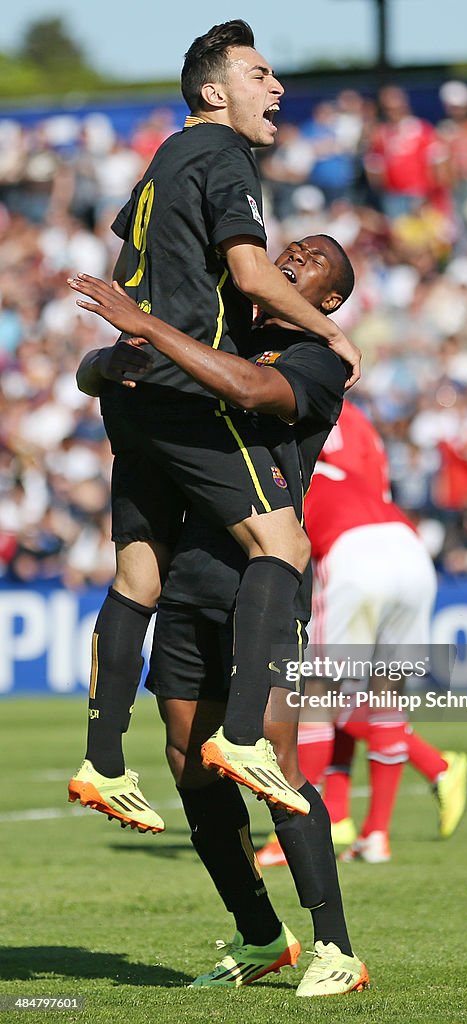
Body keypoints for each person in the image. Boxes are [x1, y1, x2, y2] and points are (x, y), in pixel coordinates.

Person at [67, 20, 361, 826]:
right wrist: (334, 331)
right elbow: (250, 271)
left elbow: (132, 253)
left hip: (131, 387)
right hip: (183, 384)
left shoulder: (162, 160)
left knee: (137, 576)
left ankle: (100, 759)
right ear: (213, 91)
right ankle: (241, 738)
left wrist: (118, 352)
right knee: (284, 543)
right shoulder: (225, 155)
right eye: (260, 74)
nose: (276, 88)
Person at [71, 234, 369, 996]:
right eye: (291, 247)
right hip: (187, 572)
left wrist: (147, 332)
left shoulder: (317, 360)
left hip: (261, 578)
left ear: (327, 302)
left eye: (309, 263)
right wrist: (114, 361)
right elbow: (100, 375)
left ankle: (337, 947)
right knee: (186, 757)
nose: (291, 257)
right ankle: (261, 935)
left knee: (271, 758)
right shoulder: (222, 326)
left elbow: (247, 391)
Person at [258, 402, 467, 866]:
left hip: (353, 555)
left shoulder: (281, 477)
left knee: (314, 695)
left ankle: (295, 835)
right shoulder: (350, 463)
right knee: (385, 695)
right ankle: (374, 834)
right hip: (410, 549)